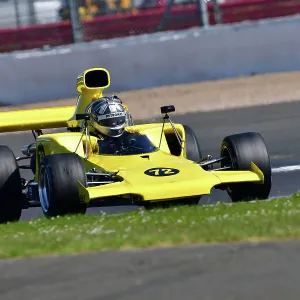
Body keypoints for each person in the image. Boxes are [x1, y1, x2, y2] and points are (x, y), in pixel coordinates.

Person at [87, 96, 156, 155]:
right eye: (109, 121)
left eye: (117, 120)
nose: (114, 124)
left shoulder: (135, 135)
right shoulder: (89, 140)